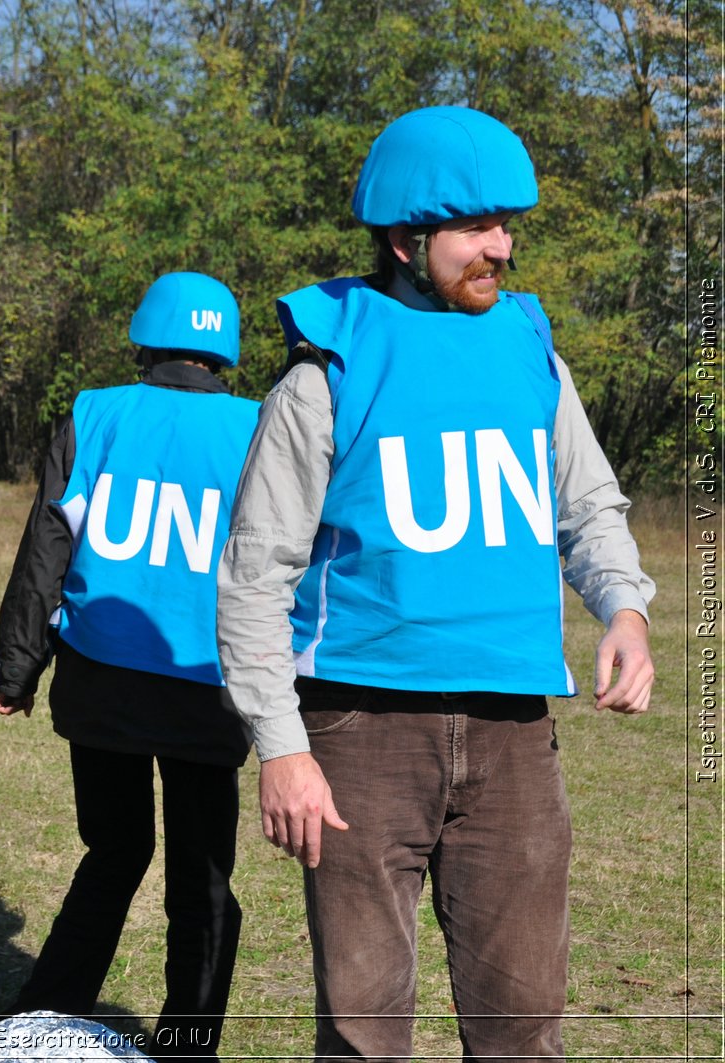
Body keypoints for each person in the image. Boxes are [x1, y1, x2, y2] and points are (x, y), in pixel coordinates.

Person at [216, 107, 656, 1062]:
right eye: (478, 228)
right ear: (406, 240)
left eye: (507, 225)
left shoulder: (532, 350)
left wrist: (622, 606)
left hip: (513, 739)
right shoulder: (324, 373)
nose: (501, 246)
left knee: (522, 1032)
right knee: (364, 1035)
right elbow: (254, 576)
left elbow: (588, 502)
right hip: (359, 736)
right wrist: (281, 747)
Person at [0, 272, 259, 1058]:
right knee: (203, 880)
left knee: (113, 852)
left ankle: (39, 1020)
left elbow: (47, 547)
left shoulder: (94, 412)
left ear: (145, 336)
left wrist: (18, 667)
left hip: (99, 676)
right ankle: (187, 1044)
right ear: (225, 351)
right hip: (208, 685)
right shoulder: (260, 425)